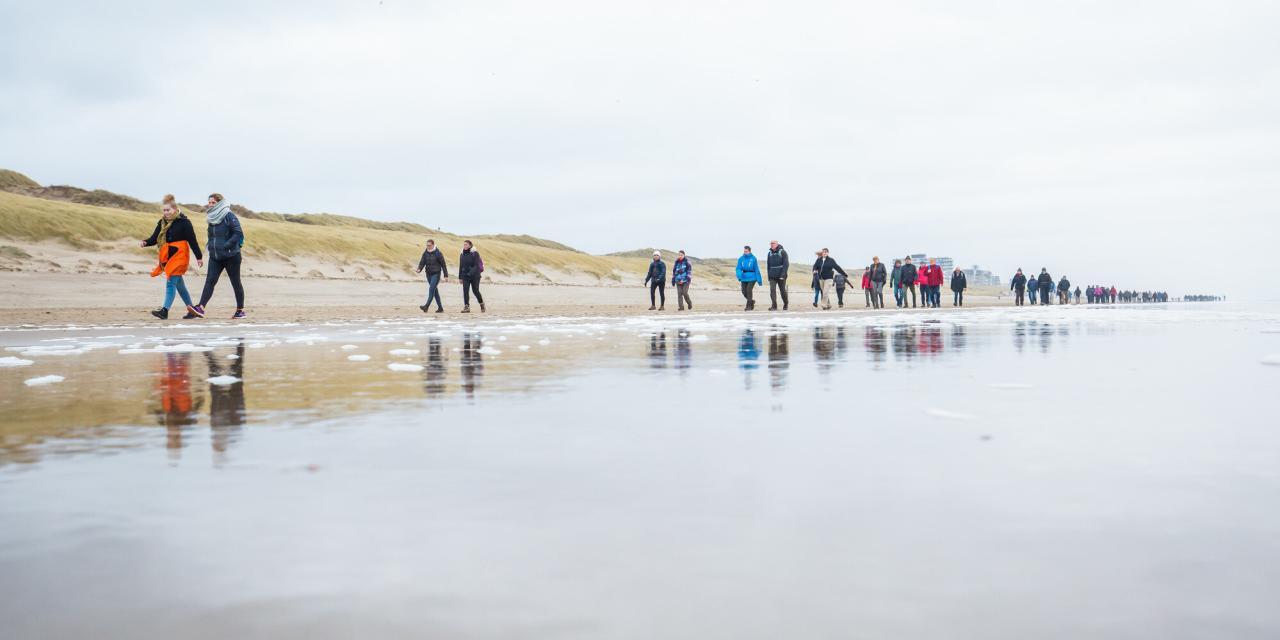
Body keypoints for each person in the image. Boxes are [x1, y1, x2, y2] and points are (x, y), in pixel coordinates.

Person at [141, 195, 203, 319]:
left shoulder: (184, 222)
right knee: (179, 285)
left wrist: (199, 257)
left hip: (180, 255)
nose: (166, 212)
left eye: (168, 210)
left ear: (175, 209)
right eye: (164, 210)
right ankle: (191, 310)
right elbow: (154, 238)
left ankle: (165, 310)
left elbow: (192, 240)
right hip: (168, 256)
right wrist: (145, 242)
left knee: (170, 282)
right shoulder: (162, 222)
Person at [190, 193, 244, 319]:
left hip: (231, 256)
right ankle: (201, 308)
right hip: (215, 256)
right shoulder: (211, 217)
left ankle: (240, 310)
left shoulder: (228, 215)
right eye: (209, 202)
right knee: (210, 281)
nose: (210, 205)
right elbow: (212, 236)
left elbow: (238, 233)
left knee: (236, 283)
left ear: (220, 203)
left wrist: (226, 245)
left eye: (213, 203)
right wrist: (210, 247)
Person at [415, 238, 448, 313]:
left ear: (433, 245)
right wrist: (419, 269)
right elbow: (422, 262)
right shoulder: (425, 252)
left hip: (436, 274)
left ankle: (426, 306)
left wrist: (445, 275)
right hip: (428, 274)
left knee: (431, 289)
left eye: (429, 245)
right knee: (434, 291)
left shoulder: (438, 253)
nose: (428, 247)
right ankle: (440, 308)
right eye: (427, 245)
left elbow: (443, 264)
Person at [458, 240, 485, 313]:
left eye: (466, 244)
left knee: (475, 290)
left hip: (475, 276)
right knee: (465, 291)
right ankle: (467, 307)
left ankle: (481, 303)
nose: (464, 246)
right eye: (464, 244)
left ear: (470, 245)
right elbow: (460, 266)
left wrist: (470, 273)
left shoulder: (475, 253)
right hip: (465, 276)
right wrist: (460, 277)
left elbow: (476, 265)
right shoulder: (462, 254)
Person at [736, 245, 762, 311]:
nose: (745, 252)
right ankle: (751, 301)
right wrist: (739, 275)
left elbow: (756, 269)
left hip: (752, 277)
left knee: (749, 290)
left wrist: (759, 280)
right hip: (744, 277)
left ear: (750, 251)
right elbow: (738, 268)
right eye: (744, 251)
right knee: (743, 291)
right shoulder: (741, 259)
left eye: (746, 251)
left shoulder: (753, 258)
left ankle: (748, 306)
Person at [766, 241, 789, 311]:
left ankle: (786, 304)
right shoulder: (769, 253)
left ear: (777, 244)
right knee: (772, 290)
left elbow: (786, 264)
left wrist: (783, 275)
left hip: (781, 275)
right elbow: (768, 265)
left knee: (783, 291)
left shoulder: (783, 252)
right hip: (772, 275)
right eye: (771, 244)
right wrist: (769, 276)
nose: (772, 245)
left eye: (773, 244)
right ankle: (774, 306)